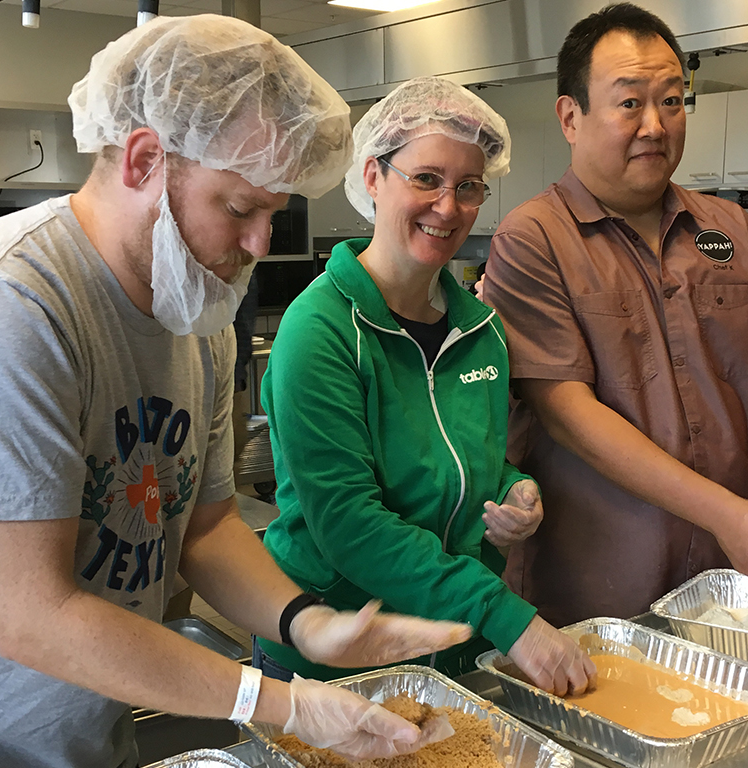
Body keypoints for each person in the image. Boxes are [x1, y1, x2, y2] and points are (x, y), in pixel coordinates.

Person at [0, 17, 471, 767]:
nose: (258, 244)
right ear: (146, 158)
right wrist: (276, 701)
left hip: (81, 728)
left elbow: (206, 527)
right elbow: (30, 615)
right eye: (240, 208)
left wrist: (306, 623)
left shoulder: (197, 306)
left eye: (273, 213)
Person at [482, 2, 748, 628]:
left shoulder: (730, 230)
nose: (655, 124)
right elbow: (566, 413)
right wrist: (725, 512)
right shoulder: (534, 238)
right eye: (629, 103)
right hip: (599, 587)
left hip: (732, 582)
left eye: (673, 102)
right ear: (571, 117)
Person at [256, 77, 596, 696]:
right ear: (373, 177)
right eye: (426, 179)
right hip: (342, 649)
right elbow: (349, 523)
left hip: (452, 645)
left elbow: (479, 463)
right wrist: (501, 612)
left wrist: (517, 494)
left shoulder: (481, 329)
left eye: (469, 186)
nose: (449, 206)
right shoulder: (321, 330)